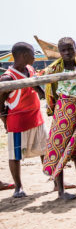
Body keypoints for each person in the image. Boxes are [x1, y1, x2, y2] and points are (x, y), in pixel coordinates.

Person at [41, 37, 76, 199]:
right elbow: (39, 80)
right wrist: (49, 100)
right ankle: (61, 190)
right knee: (58, 148)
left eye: (70, 49)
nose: (68, 52)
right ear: (59, 52)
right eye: (63, 50)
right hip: (63, 111)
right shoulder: (55, 69)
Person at [0, 42, 47, 198]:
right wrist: (5, 122)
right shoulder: (8, 78)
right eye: (32, 53)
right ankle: (18, 187)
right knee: (15, 154)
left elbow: (35, 86)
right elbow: (0, 104)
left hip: (36, 117)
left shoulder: (30, 69)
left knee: (44, 150)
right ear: (23, 56)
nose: (35, 56)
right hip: (18, 121)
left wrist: (43, 94)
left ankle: (54, 179)